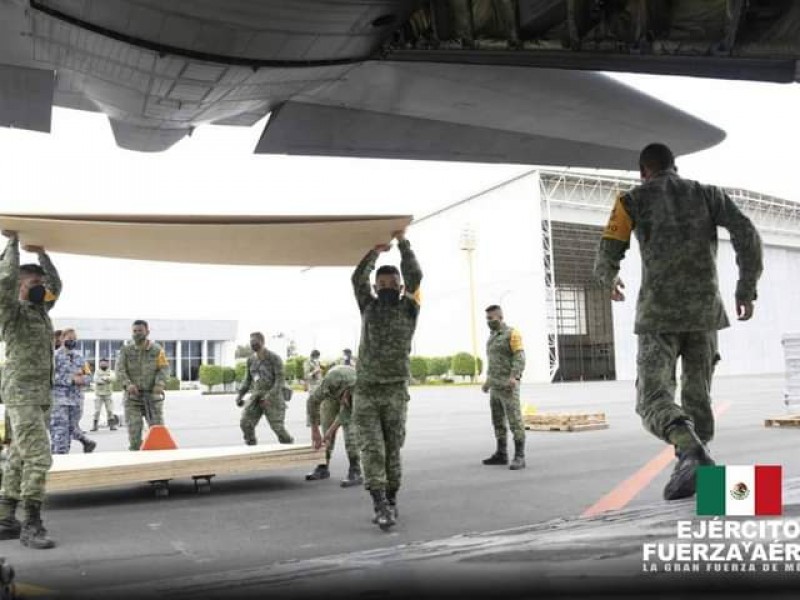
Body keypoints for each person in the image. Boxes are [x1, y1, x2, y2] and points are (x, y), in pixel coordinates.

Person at [593, 143, 763, 501]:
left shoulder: (631, 200)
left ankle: (691, 454)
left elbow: (609, 247)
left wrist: (608, 277)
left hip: (659, 316)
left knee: (653, 399)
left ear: (644, 171)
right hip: (704, 315)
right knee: (697, 398)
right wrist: (745, 287)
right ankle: (699, 479)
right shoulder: (708, 195)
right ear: (675, 166)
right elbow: (747, 233)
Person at [351, 229, 422, 530]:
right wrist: (375, 252)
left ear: (401, 286)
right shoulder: (368, 306)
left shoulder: (410, 307)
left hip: (394, 390)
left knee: (392, 448)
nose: (386, 287)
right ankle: (379, 503)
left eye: (392, 284)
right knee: (372, 448)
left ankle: (392, 498)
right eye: (381, 284)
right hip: (366, 390)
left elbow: (416, 274)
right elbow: (357, 279)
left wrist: (403, 244)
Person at [0, 231, 60, 549]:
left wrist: (42, 255)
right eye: (34, 282)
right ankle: (32, 525)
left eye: (40, 282)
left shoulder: (40, 311)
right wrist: (11, 242)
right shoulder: (11, 313)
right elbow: (4, 279)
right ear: (20, 286)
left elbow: (57, 287)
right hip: (21, 393)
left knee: (19, 456)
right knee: (39, 457)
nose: (41, 287)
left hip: (38, 395)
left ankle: (6, 519)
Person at [481, 305, 526, 470]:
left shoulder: (512, 334)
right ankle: (501, 453)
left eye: (491, 318)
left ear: (500, 317)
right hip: (495, 388)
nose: (488, 322)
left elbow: (520, 357)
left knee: (515, 421)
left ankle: (520, 456)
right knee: (498, 421)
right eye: (487, 319)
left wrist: (515, 376)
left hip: (508, 386)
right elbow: (493, 363)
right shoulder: (492, 336)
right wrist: (487, 382)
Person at [115, 320, 170, 451]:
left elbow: (164, 368)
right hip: (133, 398)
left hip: (152, 397)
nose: (137, 334)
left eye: (140, 331)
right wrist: (128, 385)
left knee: (157, 431)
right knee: (134, 433)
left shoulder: (157, 350)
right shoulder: (126, 350)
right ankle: (135, 458)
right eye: (134, 331)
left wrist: (159, 384)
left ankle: (158, 462)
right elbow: (119, 370)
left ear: (147, 332)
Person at [304, 364, 362, 487]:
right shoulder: (329, 383)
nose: (342, 402)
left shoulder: (358, 391)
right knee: (326, 426)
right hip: (332, 394)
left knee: (351, 433)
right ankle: (323, 466)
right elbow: (312, 402)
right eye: (343, 400)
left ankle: (355, 469)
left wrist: (330, 432)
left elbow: (344, 415)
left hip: (349, 390)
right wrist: (315, 431)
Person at [236, 332, 294, 445]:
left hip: (273, 396)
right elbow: (247, 379)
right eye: (251, 342)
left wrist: (269, 396)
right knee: (245, 422)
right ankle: (251, 444)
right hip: (257, 395)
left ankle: (288, 445)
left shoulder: (274, 358)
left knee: (278, 428)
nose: (253, 345)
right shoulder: (251, 360)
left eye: (255, 342)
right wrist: (240, 395)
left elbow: (280, 381)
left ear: (262, 342)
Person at [50, 329, 95, 454]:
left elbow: (89, 376)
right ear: (62, 339)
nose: (72, 341)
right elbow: (49, 377)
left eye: (74, 339)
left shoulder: (79, 357)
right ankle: (59, 455)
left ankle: (63, 456)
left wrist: (83, 379)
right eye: (69, 339)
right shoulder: (54, 356)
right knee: (60, 430)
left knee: (71, 428)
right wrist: (71, 379)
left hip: (76, 400)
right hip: (59, 400)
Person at [91, 357, 116, 431]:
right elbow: (96, 380)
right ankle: (95, 425)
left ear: (107, 364)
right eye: (102, 363)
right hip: (99, 394)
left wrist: (106, 378)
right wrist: (106, 380)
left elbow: (113, 378)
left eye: (105, 363)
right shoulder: (97, 372)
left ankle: (112, 425)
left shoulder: (110, 371)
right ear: (99, 364)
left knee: (110, 410)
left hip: (108, 394)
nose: (103, 364)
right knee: (97, 411)